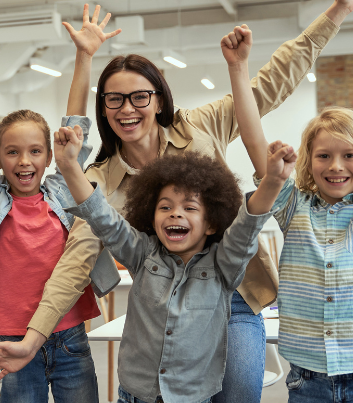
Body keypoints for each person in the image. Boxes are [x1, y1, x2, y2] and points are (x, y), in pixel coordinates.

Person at [0, 0, 353, 401]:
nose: (127, 109)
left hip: (235, 290)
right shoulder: (102, 178)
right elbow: (75, 261)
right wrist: (33, 337)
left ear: (159, 99)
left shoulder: (200, 126)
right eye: (114, 100)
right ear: (104, 109)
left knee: (238, 389)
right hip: (167, 302)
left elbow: (269, 83)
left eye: (139, 96)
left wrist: (338, 11)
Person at [228, 15, 353, 402]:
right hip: (308, 382)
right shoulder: (294, 208)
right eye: (324, 155)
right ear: (309, 160)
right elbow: (253, 141)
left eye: (348, 155)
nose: (336, 166)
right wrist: (238, 69)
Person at [0, 4, 120, 402]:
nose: (24, 161)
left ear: (49, 157)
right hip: (13, 342)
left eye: (35, 151)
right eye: (12, 152)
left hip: (70, 338)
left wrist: (84, 55)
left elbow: (77, 127)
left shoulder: (64, 191)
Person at [52, 124, 295, 403]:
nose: (175, 214)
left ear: (212, 222)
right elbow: (102, 218)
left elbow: (246, 229)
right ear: (150, 215)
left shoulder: (223, 267)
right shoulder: (142, 253)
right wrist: (70, 165)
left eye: (190, 208)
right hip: (135, 394)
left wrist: (273, 182)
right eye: (165, 207)